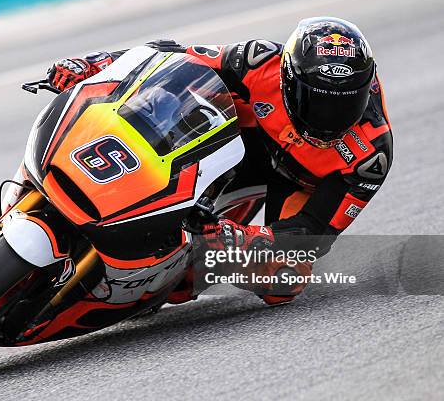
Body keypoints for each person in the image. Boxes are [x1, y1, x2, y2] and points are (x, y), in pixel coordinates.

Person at [46, 17, 393, 305]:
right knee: (170, 95)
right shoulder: (260, 62)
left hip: (301, 180)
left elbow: (316, 231)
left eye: (345, 104)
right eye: (316, 101)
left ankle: (151, 282)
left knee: (282, 282)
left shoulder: (370, 157)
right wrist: (96, 63)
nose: (328, 118)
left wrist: (244, 240)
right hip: (247, 135)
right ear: (288, 77)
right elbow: (173, 56)